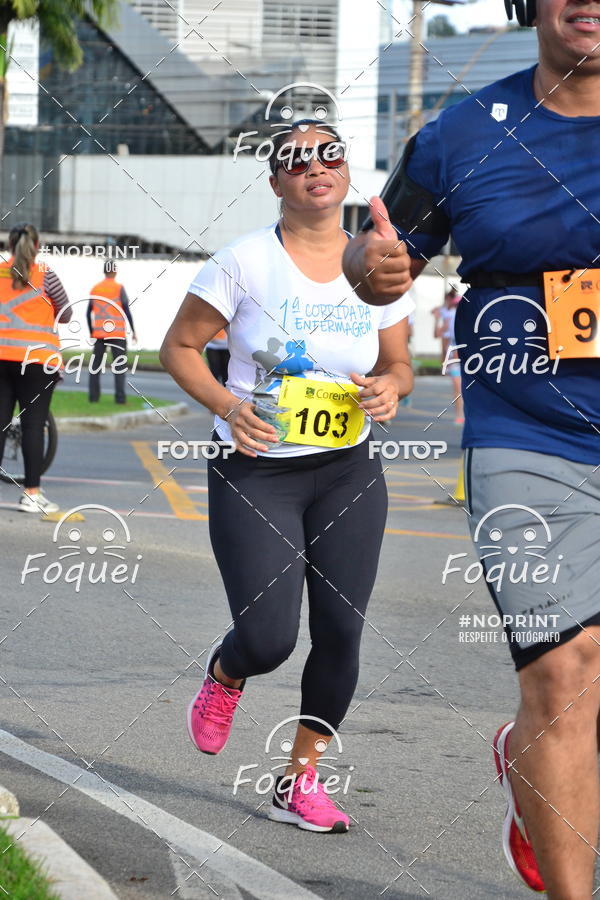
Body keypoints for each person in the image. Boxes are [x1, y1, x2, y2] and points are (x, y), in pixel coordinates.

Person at [342, 0, 600, 892]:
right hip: (524, 433)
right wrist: (372, 270)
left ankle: (529, 769)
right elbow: (374, 250)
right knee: (563, 667)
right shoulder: (462, 132)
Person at [160, 119, 414, 833]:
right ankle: (226, 673)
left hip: (348, 472)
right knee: (269, 637)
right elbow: (177, 348)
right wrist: (227, 405)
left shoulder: (378, 264)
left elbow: (402, 368)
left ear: (346, 172)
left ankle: (298, 783)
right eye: (297, 160)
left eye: (329, 154)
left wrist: (392, 388)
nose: (316, 167)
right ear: (276, 181)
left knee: (340, 632)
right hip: (256, 470)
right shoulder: (241, 263)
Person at [0, 223, 71, 513]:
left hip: (1, 358)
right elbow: (67, 312)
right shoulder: (47, 274)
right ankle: (31, 494)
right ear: (37, 246)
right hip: (38, 362)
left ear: (9, 246)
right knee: (32, 426)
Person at [87, 261, 136, 404]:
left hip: (99, 335)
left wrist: (92, 331)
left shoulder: (95, 289)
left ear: (104, 271)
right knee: (119, 367)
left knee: (95, 367)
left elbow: (87, 313)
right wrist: (133, 330)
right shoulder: (119, 288)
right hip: (117, 334)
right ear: (115, 272)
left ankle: (93, 398)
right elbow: (126, 310)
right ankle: (120, 399)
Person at [433, 289, 463, 424]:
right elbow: (441, 337)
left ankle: (462, 415)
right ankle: (460, 415)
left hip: (463, 358)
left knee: (461, 389)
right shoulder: (450, 317)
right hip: (455, 358)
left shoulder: (454, 316)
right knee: (458, 389)